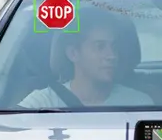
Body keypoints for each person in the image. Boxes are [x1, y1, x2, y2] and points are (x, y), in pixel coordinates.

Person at [21, 9, 153, 109]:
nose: (112, 55)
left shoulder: (139, 104)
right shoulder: (41, 104)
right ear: (73, 53)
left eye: (114, 46)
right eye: (100, 46)